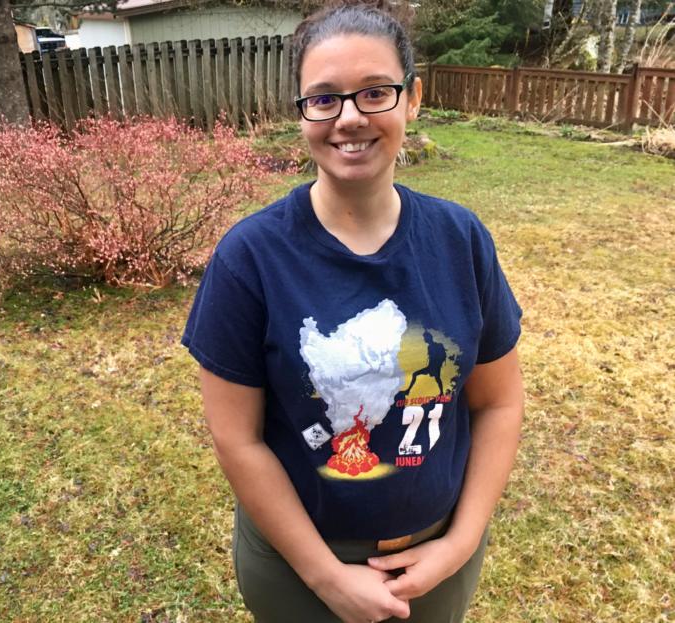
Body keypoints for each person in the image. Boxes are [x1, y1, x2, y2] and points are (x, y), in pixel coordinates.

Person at [181, 2, 524, 621]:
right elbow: (238, 439)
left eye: (374, 93)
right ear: (302, 112)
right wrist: (326, 578)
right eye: (324, 98)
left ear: (412, 98)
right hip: (298, 572)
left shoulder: (461, 240)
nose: (348, 118)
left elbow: (498, 402)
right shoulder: (249, 259)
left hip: (438, 563)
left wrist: (460, 542)